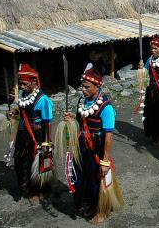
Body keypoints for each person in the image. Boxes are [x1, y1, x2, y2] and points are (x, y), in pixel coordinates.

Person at [64, 67, 120, 224]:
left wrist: (105, 160)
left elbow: (109, 135)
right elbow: (81, 123)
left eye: (86, 87)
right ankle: (86, 205)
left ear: (97, 86)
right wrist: (71, 119)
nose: (83, 89)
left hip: (97, 146)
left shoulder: (106, 108)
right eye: (82, 86)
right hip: (82, 145)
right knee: (81, 177)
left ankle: (101, 211)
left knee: (96, 180)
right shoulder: (83, 102)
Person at [9, 63, 53, 201]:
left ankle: (41, 191)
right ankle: (27, 187)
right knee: (22, 160)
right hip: (23, 134)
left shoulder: (43, 99)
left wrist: (46, 142)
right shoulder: (24, 94)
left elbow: (47, 122)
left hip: (38, 136)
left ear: (34, 82)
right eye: (20, 83)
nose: (21, 86)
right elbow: (23, 111)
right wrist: (14, 112)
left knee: (38, 163)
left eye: (24, 83)